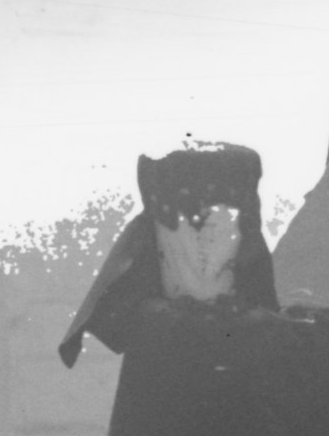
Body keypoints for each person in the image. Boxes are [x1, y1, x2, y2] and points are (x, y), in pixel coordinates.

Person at [53, 138, 276, 366]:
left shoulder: (264, 328)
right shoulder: (151, 325)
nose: (206, 228)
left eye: (225, 211)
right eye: (189, 217)